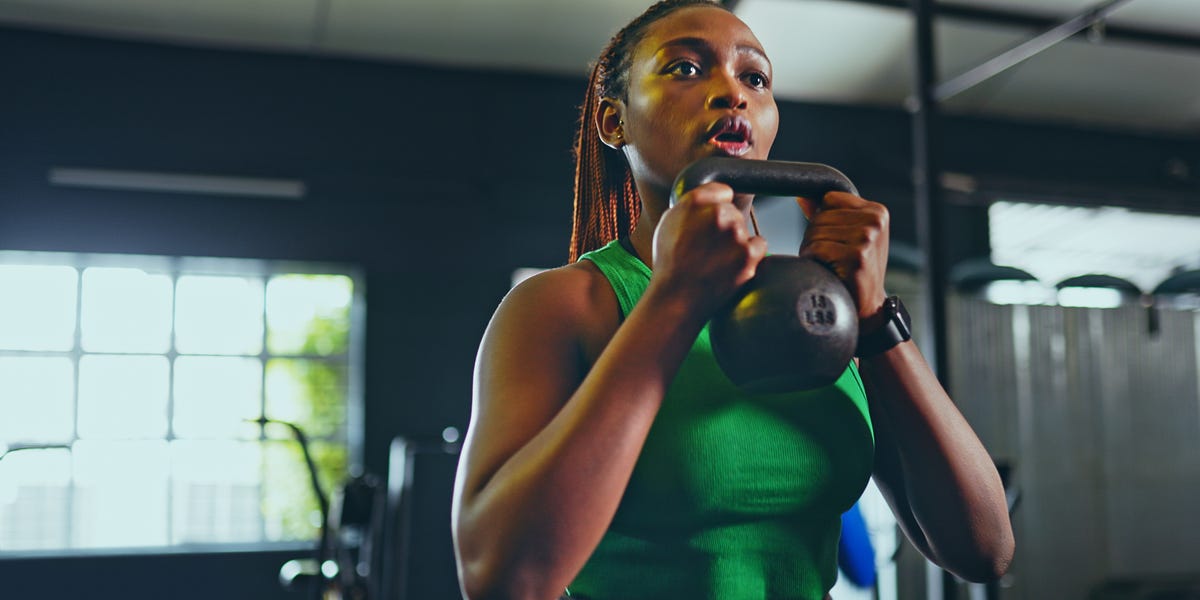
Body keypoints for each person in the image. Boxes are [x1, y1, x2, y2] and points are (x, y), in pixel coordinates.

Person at [450, 1, 1014, 598]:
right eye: (686, 68)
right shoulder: (565, 304)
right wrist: (674, 301)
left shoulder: (821, 312)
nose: (732, 93)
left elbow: (985, 548)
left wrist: (874, 318)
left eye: (755, 78)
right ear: (614, 122)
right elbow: (498, 578)